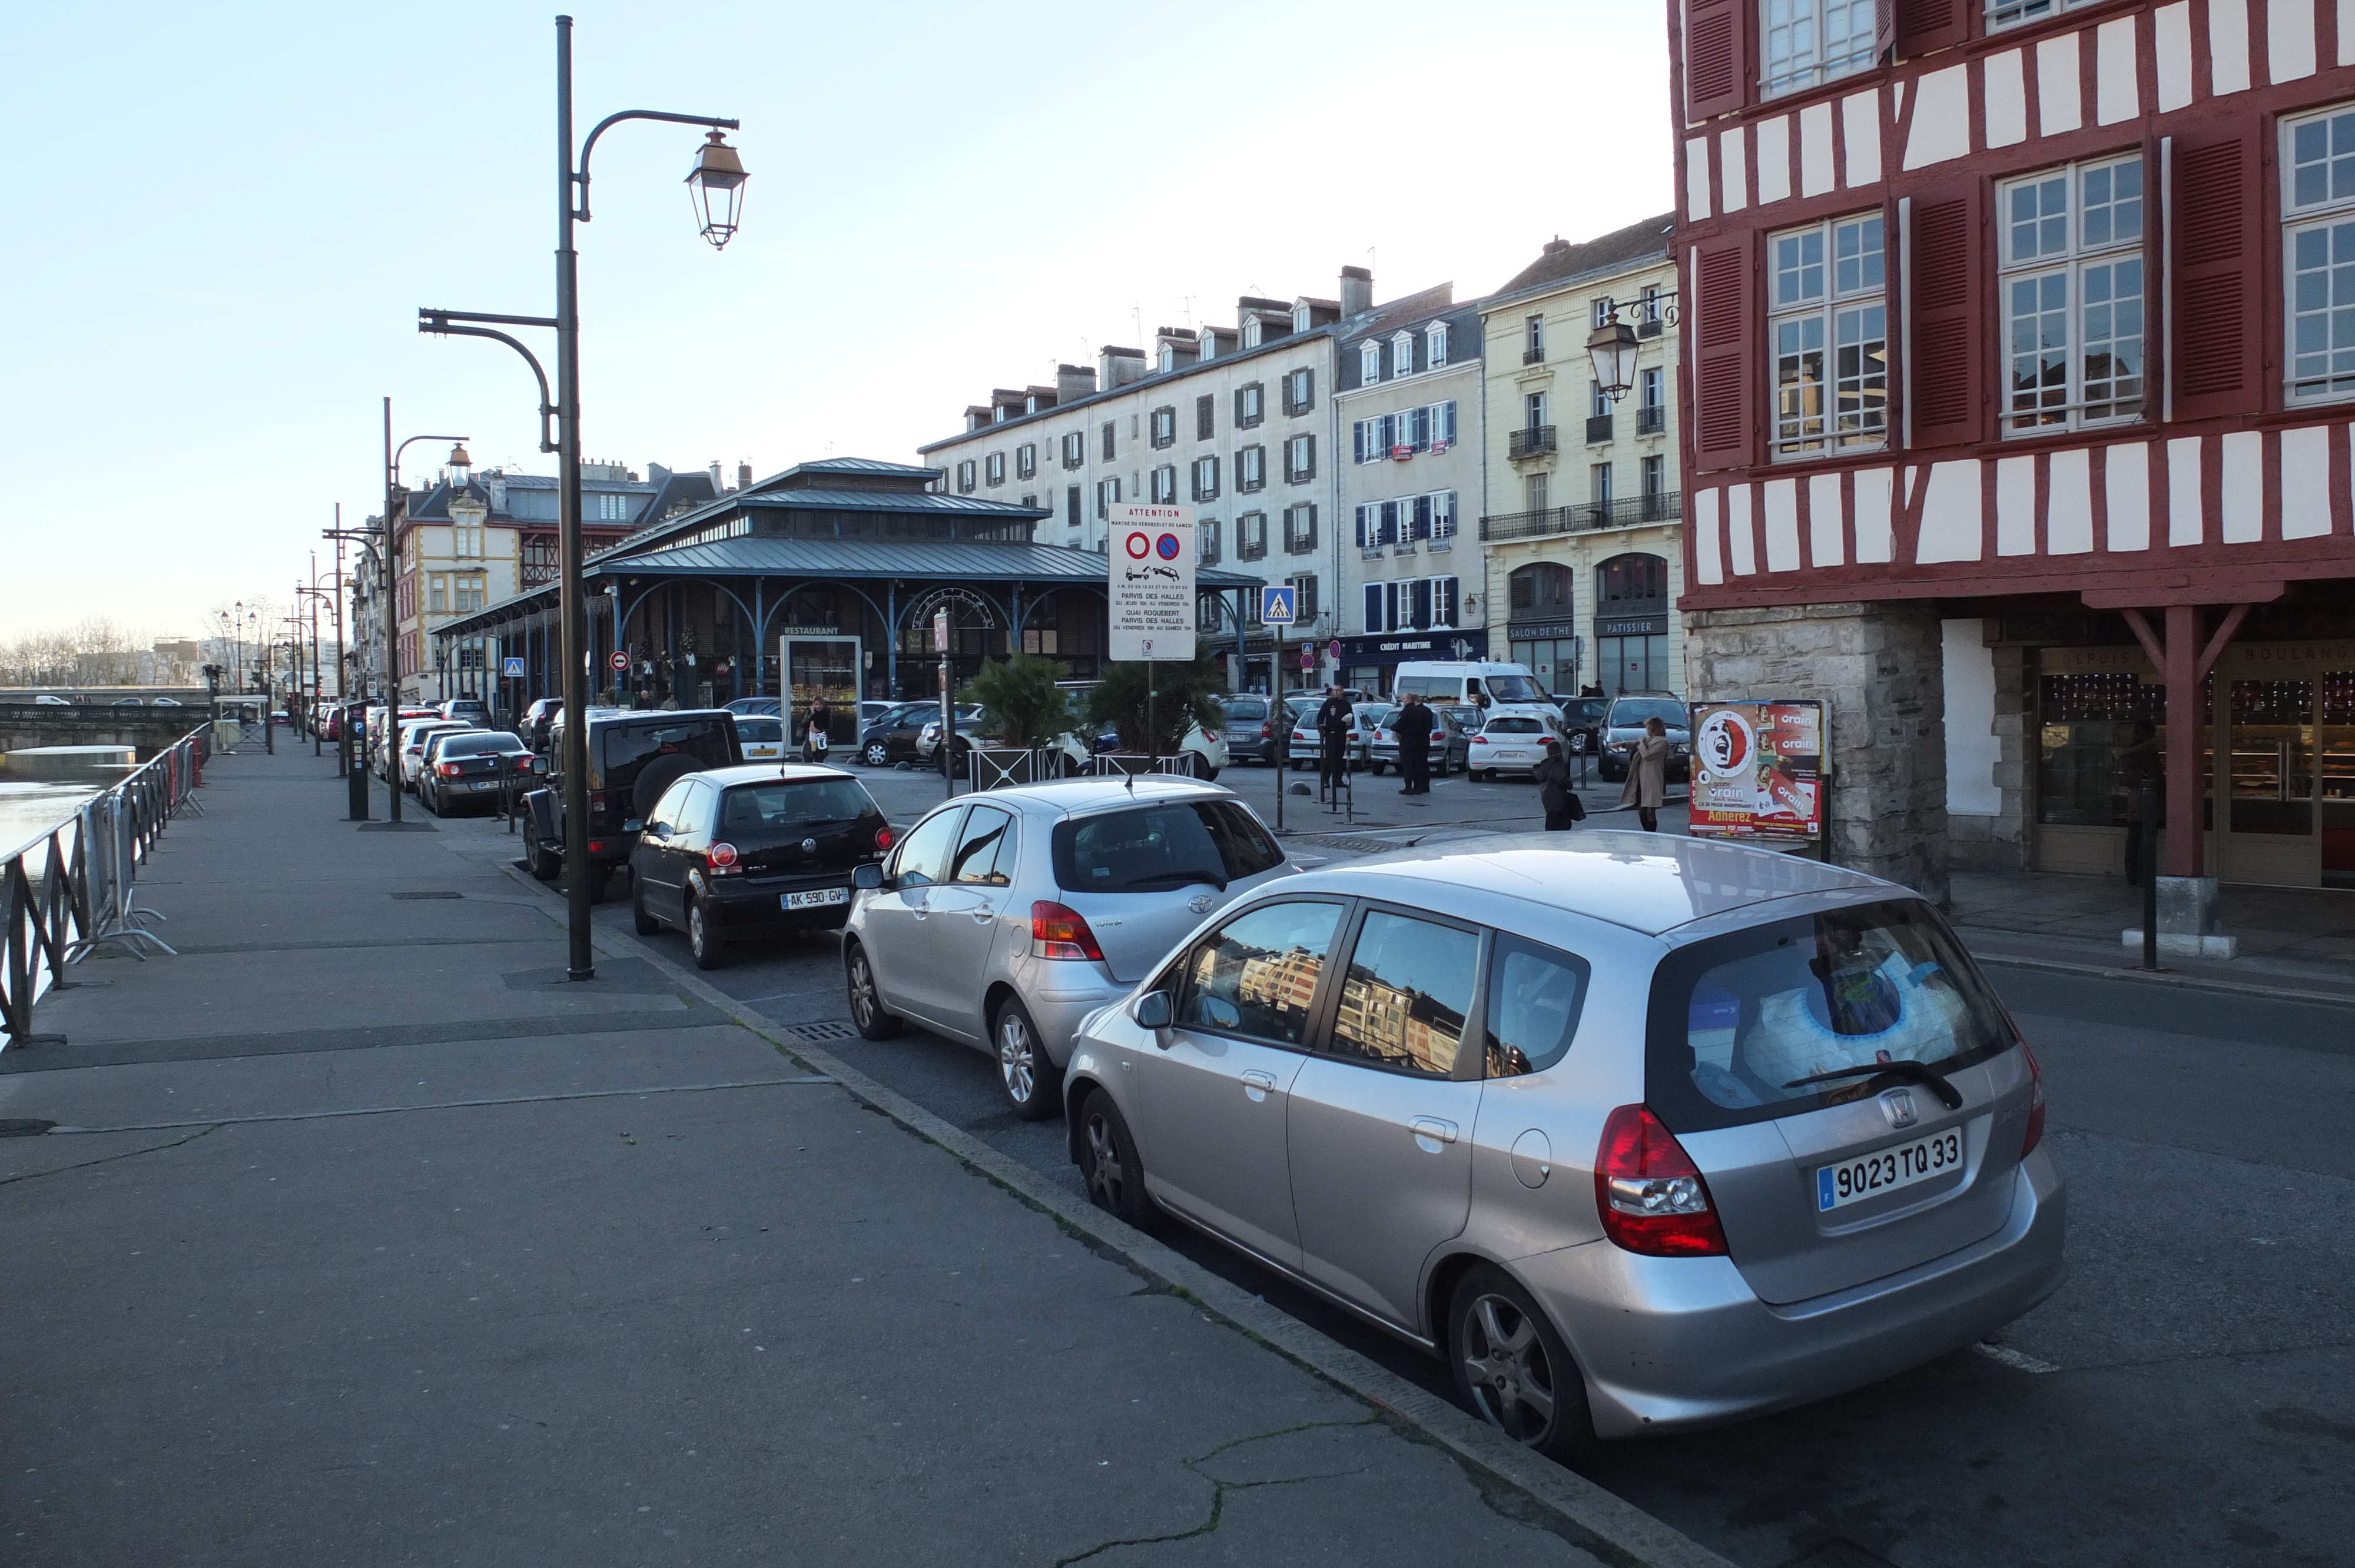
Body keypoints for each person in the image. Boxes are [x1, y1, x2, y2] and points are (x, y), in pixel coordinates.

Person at [2117, 718, 2163, 885]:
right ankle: (2144, 875)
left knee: (2134, 837)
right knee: (2146, 839)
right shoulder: (2148, 751)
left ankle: (2132, 874)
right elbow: (2155, 776)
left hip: (2135, 799)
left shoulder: (2130, 751)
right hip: (2148, 799)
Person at [1620, 715, 1673, 831]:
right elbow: (1636, 744)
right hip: (1642, 777)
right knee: (1641, 808)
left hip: (1653, 778)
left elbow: (1647, 755)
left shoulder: (1663, 743)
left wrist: (1642, 743)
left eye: (1648, 727)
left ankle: (1652, 832)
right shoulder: (1649, 740)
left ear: (1654, 728)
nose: (1647, 730)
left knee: (1650, 808)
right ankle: (1646, 831)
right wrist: (1622, 744)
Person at [1533, 738, 1584, 831]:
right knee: (1563, 824)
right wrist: (1569, 784)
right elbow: (1561, 780)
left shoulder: (1545, 765)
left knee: (1551, 823)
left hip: (1548, 798)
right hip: (1560, 799)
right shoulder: (1558, 763)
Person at [1394, 692, 1437, 796]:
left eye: (1404, 699)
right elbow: (1429, 728)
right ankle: (1423, 786)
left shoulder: (1407, 712)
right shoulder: (1427, 711)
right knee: (1422, 764)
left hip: (1408, 742)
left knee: (1409, 765)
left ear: (1410, 700)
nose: (1403, 701)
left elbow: (1399, 726)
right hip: (1423, 741)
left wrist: (1393, 727)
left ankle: (1409, 787)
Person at [1314, 686, 1354, 799]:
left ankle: (1338, 780)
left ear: (1342, 691)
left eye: (1339, 690)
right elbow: (1320, 717)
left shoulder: (1346, 705)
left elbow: (1351, 718)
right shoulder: (1328, 703)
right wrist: (1321, 728)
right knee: (1330, 758)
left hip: (1341, 733)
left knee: (1339, 758)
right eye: (1335, 690)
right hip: (1330, 733)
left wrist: (1349, 722)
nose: (1336, 692)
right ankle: (1326, 780)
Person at [804, 697, 833, 762]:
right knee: (808, 764)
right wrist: (812, 713)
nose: (818, 707)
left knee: (820, 764)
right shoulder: (809, 713)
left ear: (823, 705)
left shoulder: (827, 714)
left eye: (820, 704)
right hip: (810, 743)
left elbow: (830, 729)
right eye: (816, 704)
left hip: (821, 743)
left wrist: (819, 730)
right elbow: (803, 724)